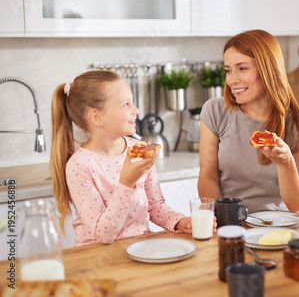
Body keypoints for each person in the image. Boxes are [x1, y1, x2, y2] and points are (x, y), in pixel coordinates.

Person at [50, 70, 194, 246]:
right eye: (126, 104)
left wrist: (180, 222)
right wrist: (126, 183)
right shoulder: (80, 166)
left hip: (140, 249)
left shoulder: (138, 150)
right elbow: (103, 235)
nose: (137, 110)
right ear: (97, 117)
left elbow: (155, 206)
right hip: (96, 257)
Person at [198, 29, 299, 213]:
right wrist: (217, 217)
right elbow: (208, 176)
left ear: (268, 70)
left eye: (242, 68)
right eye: (228, 70)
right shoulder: (215, 111)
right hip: (228, 222)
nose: (232, 80)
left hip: (275, 227)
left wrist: (285, 161)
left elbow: (296, 204)